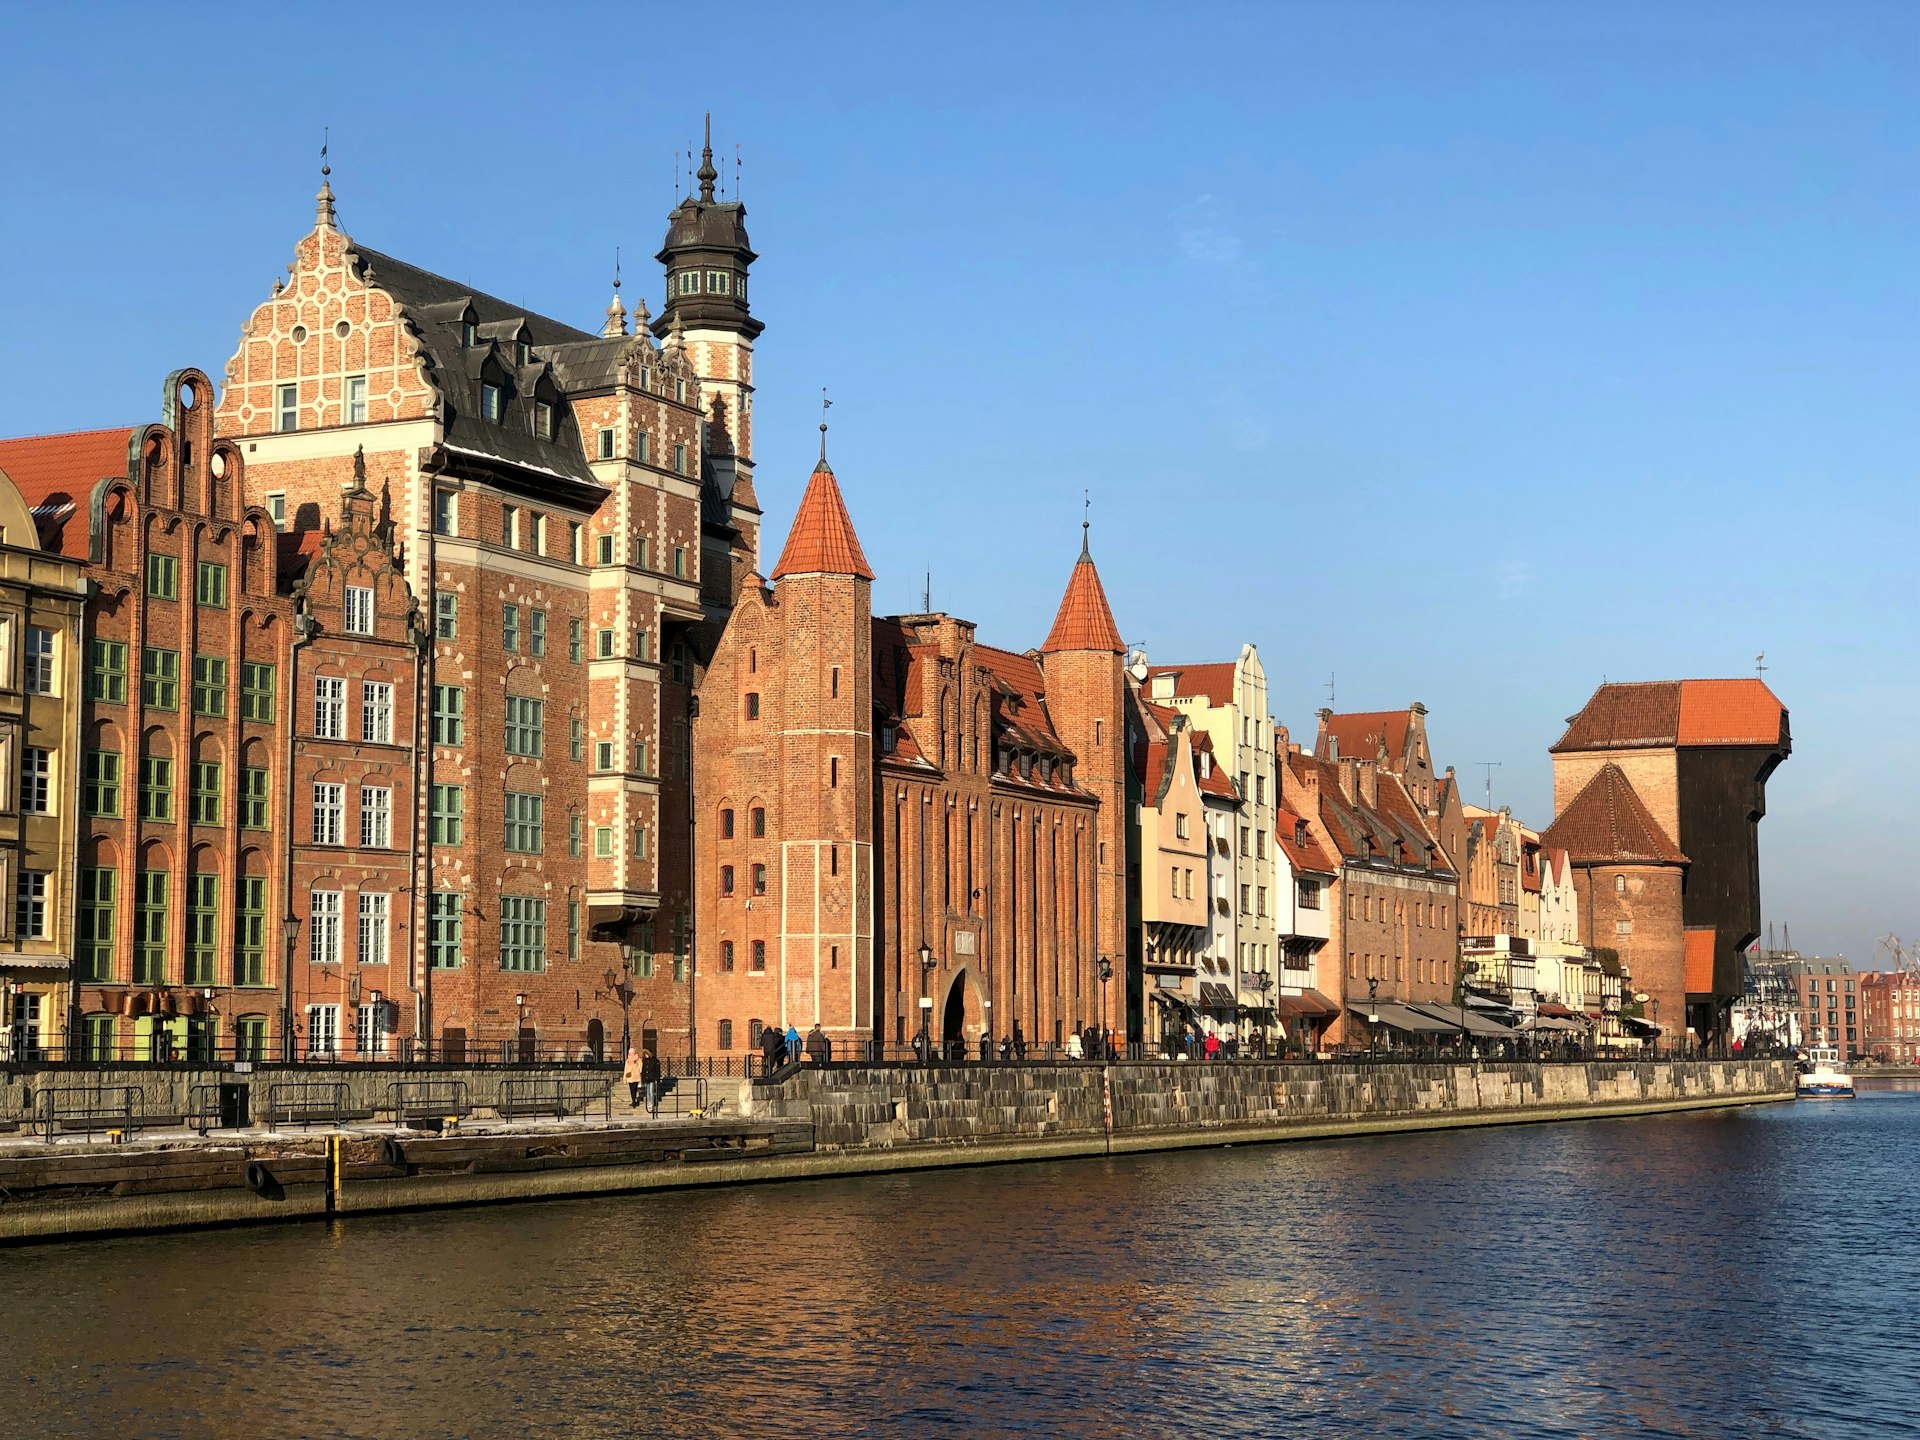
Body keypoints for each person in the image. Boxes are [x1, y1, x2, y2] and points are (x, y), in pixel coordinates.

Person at [641, 1049, 663, 1116]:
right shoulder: (644, 1061)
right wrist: (643, 1080)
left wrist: (657, 1079)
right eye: (645, 1054)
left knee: (651, 1091)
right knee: (647, 1092)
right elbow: (643, 1071)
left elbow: (657, 1070)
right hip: (647, 1079)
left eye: (646, 1054)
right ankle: (649, 1103)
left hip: (652, 1078)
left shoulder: (654, 1061)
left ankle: (651, 1104)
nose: (646, 1055)